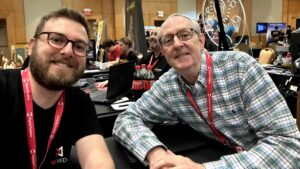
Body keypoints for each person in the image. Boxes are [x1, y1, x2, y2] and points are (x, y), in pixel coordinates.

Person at [113, 13, 300, 169]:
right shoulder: (168, 85)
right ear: (163, 51)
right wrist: (155, 154)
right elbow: (126, 119)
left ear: (201, 40)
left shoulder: (241, 68)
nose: (177, 44)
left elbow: (289, 147)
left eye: (184, 35)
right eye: (168, 40)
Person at [0, 8, 115, 169]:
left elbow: (97, 159)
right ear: (32, 47)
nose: (68, 51)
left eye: (80, 46)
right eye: (56, 39)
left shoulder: (79, 101)